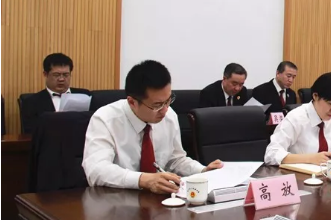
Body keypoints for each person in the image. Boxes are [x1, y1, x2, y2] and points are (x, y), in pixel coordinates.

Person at [82, 60, 222, 194]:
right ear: (132, 102)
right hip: (115, 201)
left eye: (168, 101)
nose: (165, 110)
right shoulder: (105, 119)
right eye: (157, 105)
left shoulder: (169, 116)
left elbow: (175, 160)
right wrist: (143, 180)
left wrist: (202, 171)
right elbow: (96, 170)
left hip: (157, 201)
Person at [264, 72, 331, 166]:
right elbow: (271, 154)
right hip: (297, 177)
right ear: (315, 96)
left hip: (324, 176)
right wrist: (310, 158)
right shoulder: (296, 118)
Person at [20, 53, 90, 134]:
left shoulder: (85, 95)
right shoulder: (31, 102)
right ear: (45, 74)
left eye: (66, 75)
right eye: (56, 75)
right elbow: (31, 132)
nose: (61, 79)